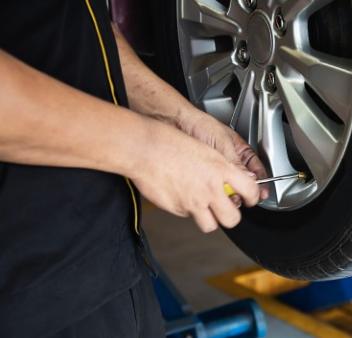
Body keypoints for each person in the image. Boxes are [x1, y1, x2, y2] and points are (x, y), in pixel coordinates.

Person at [0, 1, 269, 337]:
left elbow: (72, 23)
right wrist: (148, 150)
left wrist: (177, 116)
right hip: (25, 297)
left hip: (108, 261)